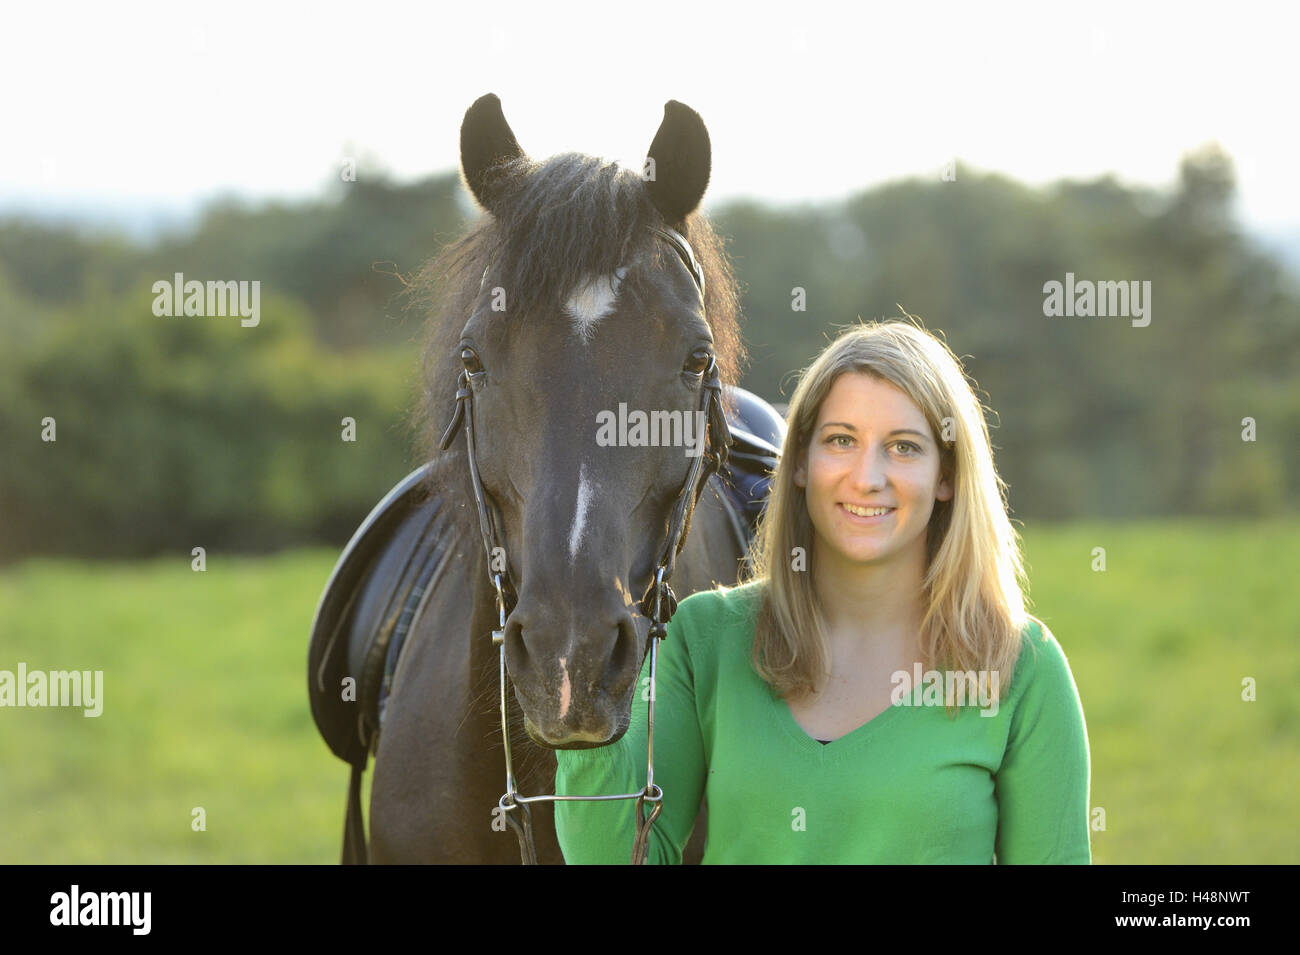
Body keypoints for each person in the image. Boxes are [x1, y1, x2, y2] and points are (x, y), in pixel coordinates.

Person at [553, 319, 1091, 863]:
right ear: (802, 462)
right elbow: (624, 857)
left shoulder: (1021, 668)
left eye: (904, 448)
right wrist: (580, 719)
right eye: (841, 440)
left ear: (947, 476)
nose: (867, 477)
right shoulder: (704, 639)